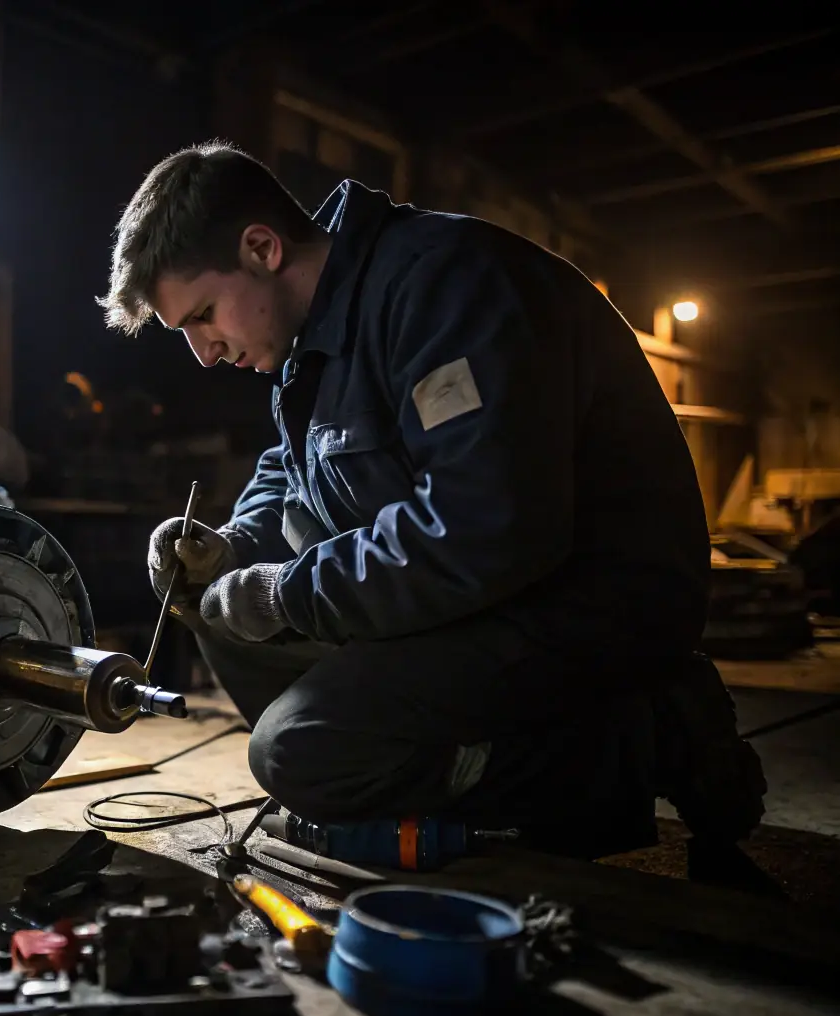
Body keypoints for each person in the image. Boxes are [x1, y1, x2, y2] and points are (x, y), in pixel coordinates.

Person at [98, 141, 766, 860]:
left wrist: (288, 596)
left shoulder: (448, 286)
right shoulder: (312, 336)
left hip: (580, 602)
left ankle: (638, 741)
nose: (204, 352)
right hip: (475, 596)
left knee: (299, 752)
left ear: (260, 248)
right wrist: (227, 548)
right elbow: (291, 474)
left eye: (202, 315)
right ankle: (417, 761)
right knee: (209, 600)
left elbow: (484, 527)